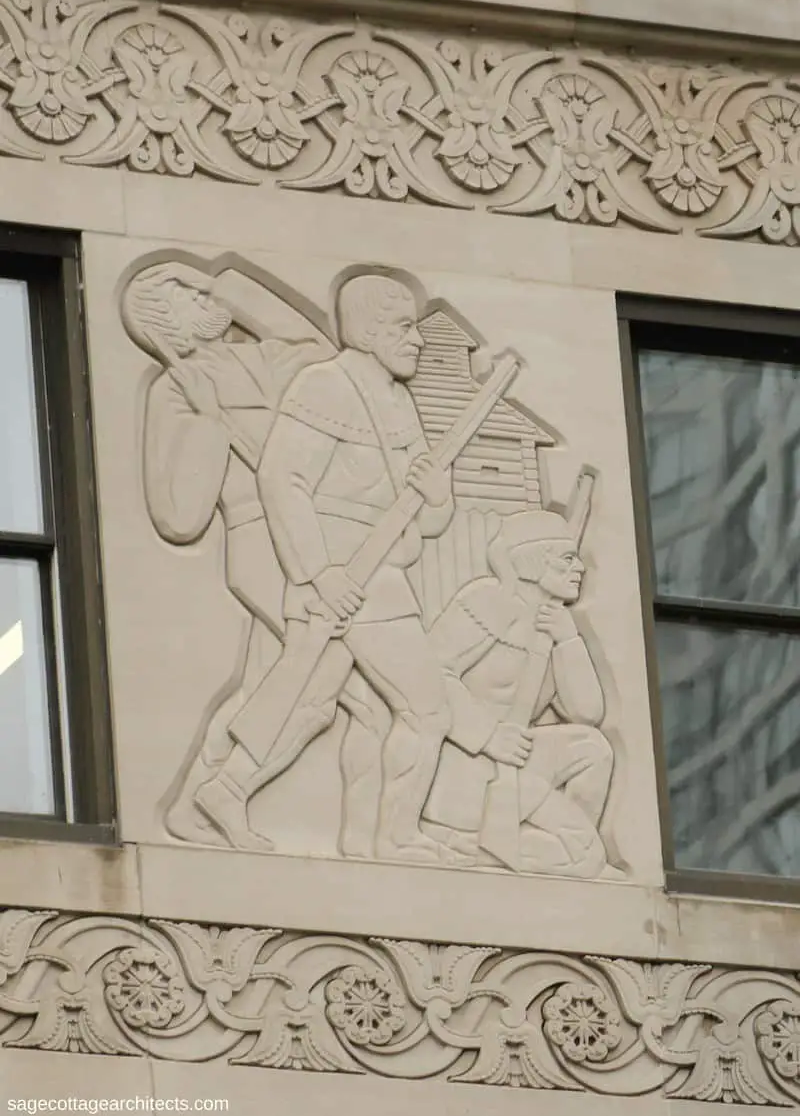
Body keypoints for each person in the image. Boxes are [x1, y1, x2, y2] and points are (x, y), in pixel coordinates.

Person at [195, 270, 459, 862]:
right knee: (427, 706)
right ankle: (397, 837)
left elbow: (428, 520)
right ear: (366, 331)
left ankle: (227, 787)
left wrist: (437, 492)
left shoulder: (400, 401)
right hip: (346, 579)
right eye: (402, 327)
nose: (417, 339)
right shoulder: (327, 386)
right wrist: (317, 572)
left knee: (313, 704)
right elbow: (281, 478)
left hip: (382, 574)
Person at [123, 262, 329, 844]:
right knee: (325, 682)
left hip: (316, 538)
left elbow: (317, 347)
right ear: (166, 320)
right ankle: (225, 793)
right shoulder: (174, 390)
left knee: (270, 687)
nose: (205, 296)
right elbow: (178, 516)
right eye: (188, 294)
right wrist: (209, 420)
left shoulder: (263, 360)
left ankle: (198, 801)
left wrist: (227, 287)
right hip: (266, 547)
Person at [422, 509, 616, 877]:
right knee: (586, 858)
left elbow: (588, 713)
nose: (580, 568)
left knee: (593, 749)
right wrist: (489, 735)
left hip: (518, 767)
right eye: (567, 558)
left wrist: (568, 640)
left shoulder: (555, 624)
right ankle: (474, 842)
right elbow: (431, 676)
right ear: (534, 560)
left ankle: (527, 843)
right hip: (465, 765)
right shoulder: (487, 601)